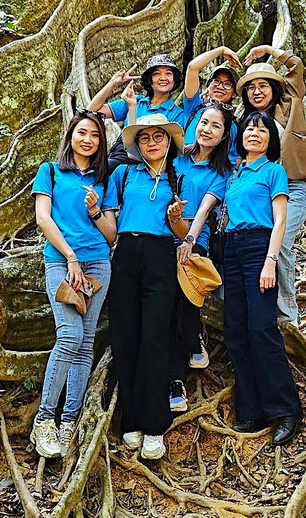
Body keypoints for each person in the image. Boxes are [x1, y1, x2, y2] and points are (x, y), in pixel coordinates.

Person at [29, 109, 117, 459]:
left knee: (85, 343)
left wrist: (96, 211)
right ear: (71, 136)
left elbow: (110, 234)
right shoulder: (50, 171)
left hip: (98, 262)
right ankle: (44, 420)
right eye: (82, 132)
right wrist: (70, 257)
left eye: (95, 135)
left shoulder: (104, 180)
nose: (88, 139)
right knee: (69, 334)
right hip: (62, 263)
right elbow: (42, 218)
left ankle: (70, 421)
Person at [101, 113, 188, 460]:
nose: (152, 143)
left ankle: (155, 425)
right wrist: (95, 212)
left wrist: (176, 220)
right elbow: (111, 223)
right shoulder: (123, 174)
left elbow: (183, 234)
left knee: (154, 337)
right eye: (146, 138)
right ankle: (131, 421)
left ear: (169, 141)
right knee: (125, 336)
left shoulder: (180, 179)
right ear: (138, 145)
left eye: (159, 137)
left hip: (160, 256)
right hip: (125, 256)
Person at [223, 111, 302, 446]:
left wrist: (270, 261)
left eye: (261, 129)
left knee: (261, 328)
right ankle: (250, 410)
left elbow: (280, 220)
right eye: (249, 128)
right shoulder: (236, 174)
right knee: (237, 330)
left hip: (259, 247)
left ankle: (284, 410)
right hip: (232, 248)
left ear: (271, 138)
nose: (254, 133)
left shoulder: (274, 171)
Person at [237, 45, 306, 324]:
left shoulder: (290, 103)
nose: (257, 91)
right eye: (251, 88)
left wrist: (267, 50)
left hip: (294, 187)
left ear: (274, 88)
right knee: (259, 246)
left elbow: (296, 66)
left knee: (281, 244)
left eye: (263, 85)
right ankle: (261, 312)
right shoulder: (246, 123)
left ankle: (288, 317)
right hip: (261, 194)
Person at [168, 103, 234, 412]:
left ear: (224, 136)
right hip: (162, 237)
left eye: (216, 126)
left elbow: (206, 209)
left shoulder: (220, 173)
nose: (207, 129)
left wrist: (189, 241)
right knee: (165, 310)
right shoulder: (177, 157)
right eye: (204, 122)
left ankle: (178, 377)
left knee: (183, 302)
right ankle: (173, 377)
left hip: (195, 239)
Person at [88, 55, 189, 171]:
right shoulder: (136, 101)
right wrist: (113, 83)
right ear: (149, 79)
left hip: (143, 161)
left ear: (174, 79)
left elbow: (170, 150)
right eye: (157, 74)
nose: (163, 78)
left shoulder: (177, 114)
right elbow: (91, 111)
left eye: (168, 73)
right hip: (116, 152)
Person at [181, 46, 241, 163]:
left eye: (227, 84)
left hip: (212, 177)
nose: (220, 86)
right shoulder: (195, 106)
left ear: (234, 94)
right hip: (182, 168)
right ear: (208, 85)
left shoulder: (233, 125)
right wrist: (221, 50)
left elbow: (236, 157)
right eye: (216, 81)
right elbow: (192, 67)